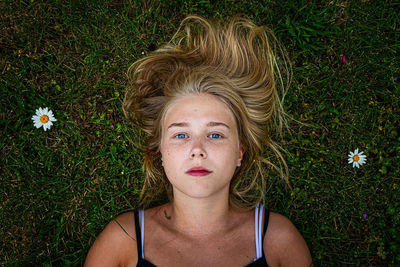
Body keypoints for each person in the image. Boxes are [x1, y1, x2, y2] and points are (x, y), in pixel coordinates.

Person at [85, 15, 312, 267]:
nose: (197, 150)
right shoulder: (122, 240)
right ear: (160, 150)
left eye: (215, 135)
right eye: (180, 135)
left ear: (240, 152)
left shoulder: (278, 241)